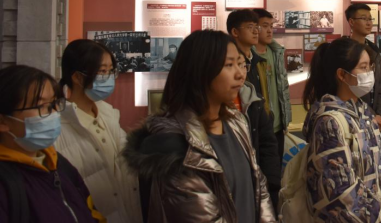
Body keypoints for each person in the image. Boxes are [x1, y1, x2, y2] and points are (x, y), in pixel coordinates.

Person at [123, 30, 276, 223]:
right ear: (201, 70)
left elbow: (258, 186)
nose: (240, 74)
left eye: (241, 64)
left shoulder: (237, 122)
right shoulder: (173, 144)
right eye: (229, 65)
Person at [302, 37, 381, 222]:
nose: (369, 74)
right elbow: (340, 193)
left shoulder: (364, 113)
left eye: (370, 67)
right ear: (342, 75)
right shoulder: (329, 122)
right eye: (363, 67)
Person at [0, 65, 106, 223]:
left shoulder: (58, 163)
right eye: (41, 106)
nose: (54, 113)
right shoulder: (6, 185)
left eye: (54, 104)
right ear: (3, 121)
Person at [54, 39, 143, 223]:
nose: (109, 77)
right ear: (77, 77)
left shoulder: (108, 115)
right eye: (102, 71)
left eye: (111, 71)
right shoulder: (57, 127)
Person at [226, 9, 281, 198]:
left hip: (264, 127)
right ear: (235, 32)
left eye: (242, 65)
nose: (239, 73)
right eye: (251, 27)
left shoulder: (258, 61)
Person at [252, 9, 292, 164]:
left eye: (271, 26)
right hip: (258, 126)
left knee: (276, 168)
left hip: (278, 125)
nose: (269, 30)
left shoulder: (276, 52)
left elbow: (283, 87)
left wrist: (285, 119)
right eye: (264, 26)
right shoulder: (248, 56)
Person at [345, 4, 381, 127]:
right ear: (351, 22)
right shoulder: (345, 51)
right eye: (364, 19)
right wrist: (370, 115)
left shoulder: (374, 50)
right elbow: (344, 89)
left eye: (370, 19)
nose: (369, 23)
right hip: (353, 116)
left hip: (376, 118)